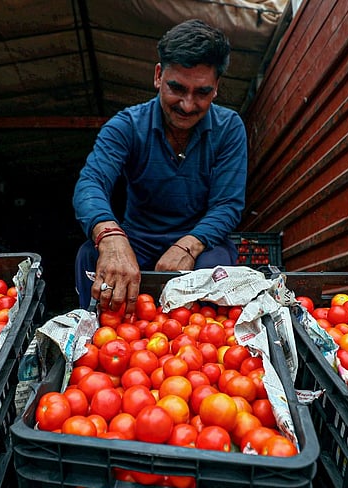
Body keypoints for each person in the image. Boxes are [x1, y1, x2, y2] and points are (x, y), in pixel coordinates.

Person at [73, 19, 247, 315]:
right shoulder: (126, 126)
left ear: (217, 88)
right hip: (137, 239)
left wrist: (188, 246)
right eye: (177, 88)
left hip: (200, 239)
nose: (188, 105)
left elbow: (228, 204)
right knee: (91, 255)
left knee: (215, 269)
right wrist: (111, 237)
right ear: (158, 76)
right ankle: (93, 338)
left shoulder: (229, 128)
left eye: (202, 92)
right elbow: (91, 183)